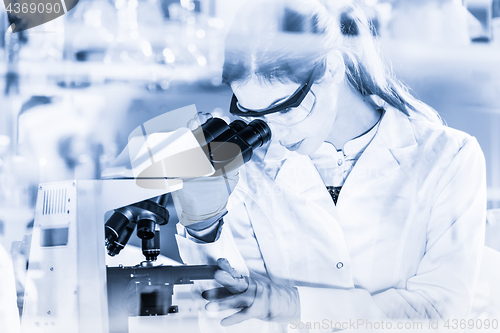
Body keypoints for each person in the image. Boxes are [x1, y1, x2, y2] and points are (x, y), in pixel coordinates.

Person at [171, 0, 487, 332]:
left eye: (285, 109)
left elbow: (441, 312)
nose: (273, 132)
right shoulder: (246, 168)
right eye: (255, 116)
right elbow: (231, 316)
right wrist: (203, 230)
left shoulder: (449, 156)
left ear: (331, 69)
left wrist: (295, 305)